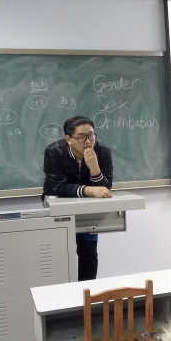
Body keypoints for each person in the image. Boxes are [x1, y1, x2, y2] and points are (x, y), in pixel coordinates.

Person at [43, 116, 112, 280]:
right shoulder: (54, 151)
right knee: (60, 254)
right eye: (81, 136)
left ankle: (86, 292)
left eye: (91, 135)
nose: (88, 141)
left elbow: (106, 188)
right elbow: (56, 186)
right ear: (69, 139)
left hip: (88, 211)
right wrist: (88, 190)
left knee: (88, 252)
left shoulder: (102, 152)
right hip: (58, 209)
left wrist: (95, 169)